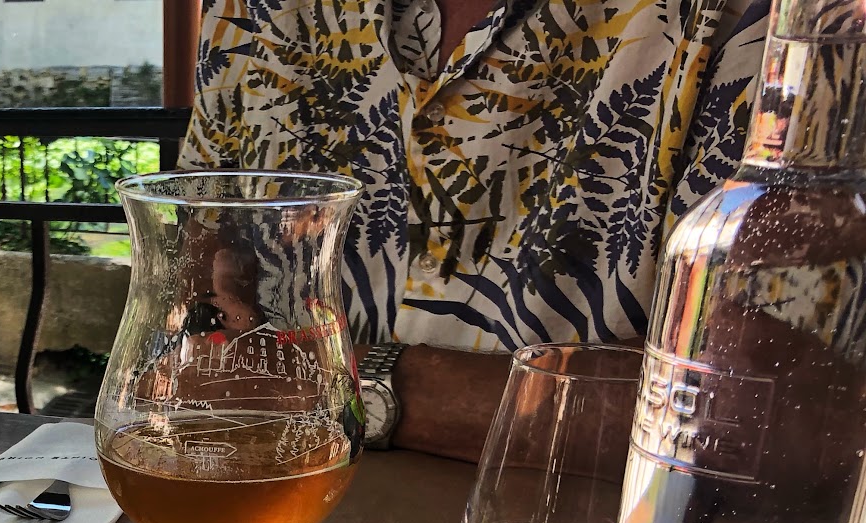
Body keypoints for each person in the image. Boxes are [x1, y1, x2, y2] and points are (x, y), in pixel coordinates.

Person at [180, 0, 771, 460]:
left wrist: (335, 389)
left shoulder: (754, 22)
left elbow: (761, 419)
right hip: (247, 521)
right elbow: (186, 290)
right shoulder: (253, 11)